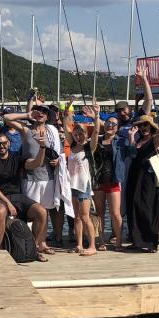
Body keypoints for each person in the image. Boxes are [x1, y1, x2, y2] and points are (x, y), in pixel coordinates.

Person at [0, 130, 48, 260]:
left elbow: (37, 163)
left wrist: (42, 147)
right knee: (1, 211)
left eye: (4, 143)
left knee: (41, 211)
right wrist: (8, 203)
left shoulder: (16, 158)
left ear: (9, 143)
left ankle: (32, 249)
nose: (1, 146)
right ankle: (0, 250)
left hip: (17, 196)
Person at [124, 92, 159, 253]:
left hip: (149, 179)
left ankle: (151, 242)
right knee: (134, 207)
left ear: (151, 127)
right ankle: (136, 240)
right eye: (142, 126)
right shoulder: (137, 140)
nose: (144, 128)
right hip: (134, 177)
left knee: (148, 208)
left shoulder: (155, 140)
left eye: (147, 126)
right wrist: (131, 138)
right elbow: (132, 154)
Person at [21, 105, 59, 256]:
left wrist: (58, 161)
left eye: (43, 112)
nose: (40, 114)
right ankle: (30, 243)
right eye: (38, 112)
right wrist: (28, 114)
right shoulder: (27, 130)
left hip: (47, 176)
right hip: (30, 177)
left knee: (45, 211)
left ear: (47, 116)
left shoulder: (52, 131)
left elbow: (58, 152)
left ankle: (42, 243)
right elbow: (6, 119)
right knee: (31, 212)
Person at [92, 112, 130, 252]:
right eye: (108, 122)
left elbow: (132, 153)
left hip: (114, 180)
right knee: (100, 213)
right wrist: (96, 117)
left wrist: (131, 139)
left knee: (115, 213)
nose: (110, 125)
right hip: (99, 181)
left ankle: (118, 242)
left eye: (114, 124)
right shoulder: (97, 139)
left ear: (117, 127)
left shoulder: (121, 141)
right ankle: (101, 241)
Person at [64, 106, 99, 256]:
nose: (79, 137)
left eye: (81, 134)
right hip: (72, 185)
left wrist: (96, 116)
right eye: (76, 134)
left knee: (85, 216)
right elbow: (66, 127)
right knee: (76, 217)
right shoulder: (72, 147)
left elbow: (96, 132)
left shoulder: (88, 147)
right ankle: (79, 244)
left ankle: (92, 246)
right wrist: (66, 114)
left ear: (86, 134)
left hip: (84, 186)